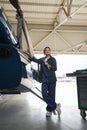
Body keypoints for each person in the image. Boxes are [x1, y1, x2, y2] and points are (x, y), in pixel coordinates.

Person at [27, 46, 61, 117]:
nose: (47, 51)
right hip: (44, 80)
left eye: (48, 50)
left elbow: (55, 68)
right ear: (44, 52)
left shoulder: (53, 59)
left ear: (50, 51)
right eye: (46, 50)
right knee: (44, 94)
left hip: (52, 80)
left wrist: (48, 65)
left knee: (52, 96)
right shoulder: (42, 60)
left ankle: (49, 110)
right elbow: (34, 60)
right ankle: (56, 106)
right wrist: (29, 53)